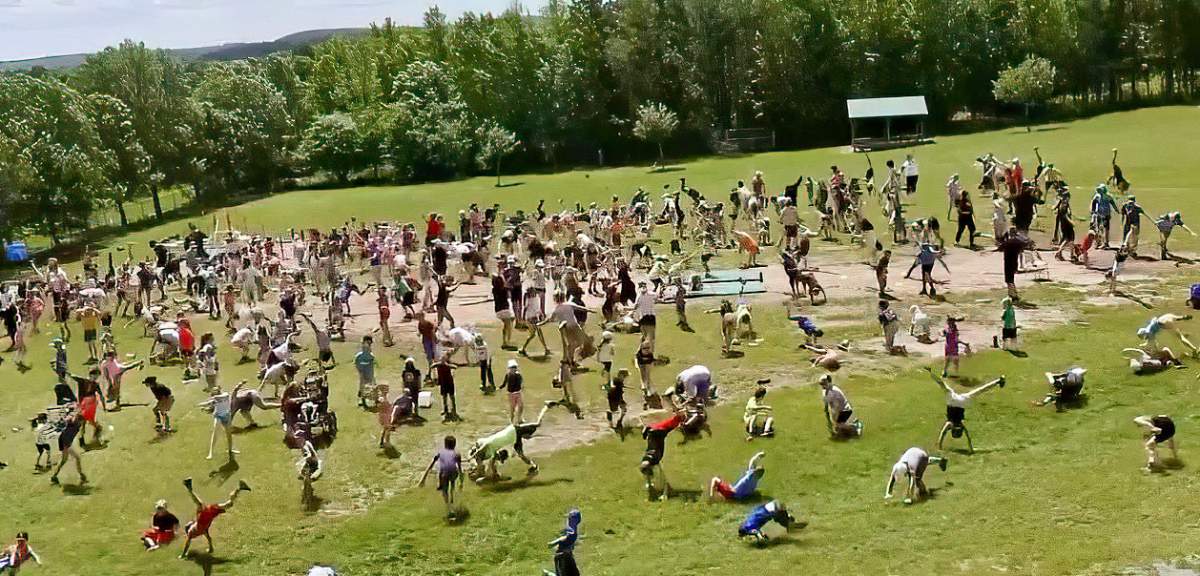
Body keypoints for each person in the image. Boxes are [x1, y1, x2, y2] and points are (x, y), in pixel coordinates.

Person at [467, 403, 557, 481]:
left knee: (537, 424)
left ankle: (546, 406)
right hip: (514, 435)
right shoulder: (492, 451)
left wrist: (475, 455)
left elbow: (486, 448)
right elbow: (492, 464)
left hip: (514, 431)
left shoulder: (490, 446)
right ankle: (533, 466)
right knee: (521, 453)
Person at [927, 369, 1004, 453]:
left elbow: (967, 437)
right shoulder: (950, 424)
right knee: (943, 385)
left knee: (979, 391)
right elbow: (942, 435)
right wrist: (940, 446)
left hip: (961, 402)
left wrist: (970, 448)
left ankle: (998, 381)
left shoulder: (959, 425)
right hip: (953, 401)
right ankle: (931, 372)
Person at [178, 477, 251, 559]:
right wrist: (183, 554)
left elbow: (207, 538)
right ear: (189, 528)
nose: (190, 522)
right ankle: (239, 488)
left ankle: (189, 487)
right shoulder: (191, 532)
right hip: (208, 514)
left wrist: (183, 555)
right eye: (189, 524)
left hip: (207, 515)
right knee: (228, 504)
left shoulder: (200, 531)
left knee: (203, 505)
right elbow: (205, 539)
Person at [638, 407, 685, 501]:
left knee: (650, 462)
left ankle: (660, 488)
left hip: (657, 435)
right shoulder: (653, 454)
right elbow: (678, 415)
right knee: (653, 463)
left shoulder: (652, 454)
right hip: (658, 435)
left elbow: (678, 415)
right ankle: (663, 489)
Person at [418, 435, 465, 518]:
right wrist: (461, 482)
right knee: (452, 478)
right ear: (454, 445)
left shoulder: (440, 453)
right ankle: (452, 496)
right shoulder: (457, 454)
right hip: (454, 474)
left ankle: (448, 506)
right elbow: (460, 470)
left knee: (441, 475)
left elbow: (430, 466)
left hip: (444, 475)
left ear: (445, 445)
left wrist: (423, 479)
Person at [197, 385, 238, 461]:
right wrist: (200, 405)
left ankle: (230, 449)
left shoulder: (225, 394)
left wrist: (213, 398)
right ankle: (210, 453)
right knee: (215, 433)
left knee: (229, 434)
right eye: (214, 392)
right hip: (218, 416)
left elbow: (221, 397)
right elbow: (208, 404)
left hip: (227, 416)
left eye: (216, 391)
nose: (215, 393)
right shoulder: (214, 399)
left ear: (219, 390)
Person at [737, 500, 803, 543]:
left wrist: (762, 541)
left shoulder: (749, 529)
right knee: (780, 520)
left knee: (784, 523)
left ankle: (790, 522)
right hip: (771, 505)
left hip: (772, 510)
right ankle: (790, 519)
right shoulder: (749, 520)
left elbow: (758, 536)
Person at [50, 409, 85, 486]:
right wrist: (66, 447)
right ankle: (81, 475)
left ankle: (54, 476)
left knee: (64, 460)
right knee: (75, 458)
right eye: (80, 421)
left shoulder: (77, 424)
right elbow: (65, 423)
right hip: (64, 442)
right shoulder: (71, 423)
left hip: (66, 442)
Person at [542, 509, 582, 576]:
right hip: (563, 557)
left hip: (564, 557)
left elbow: (564, 538)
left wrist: (553, 543)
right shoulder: (571, 531)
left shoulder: (572, 532)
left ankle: (547, 574)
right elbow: (565, 538)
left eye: (572, 518)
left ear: (576, 521)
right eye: (569, 517)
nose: (569, 519)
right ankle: (547, 574)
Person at [432, 353, 458, 421]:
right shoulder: (438, 365)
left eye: (444, 358)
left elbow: (455, 367)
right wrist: (439, 363)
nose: (442, 360)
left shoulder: (448, 364)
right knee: (444, 397)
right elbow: (432, 366)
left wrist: (447, 365)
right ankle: (445, 409)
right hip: (443, 383)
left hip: (449, 382)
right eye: (442, 359)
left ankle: (454, 409)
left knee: (452, 396)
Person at [354, 336, 377, 408]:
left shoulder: (371, 355)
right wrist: (360, 370)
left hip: (370, 372)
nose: (369, 346)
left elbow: (372, 362)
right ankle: (363, 402)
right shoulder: (360, 355)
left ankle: (374, 399)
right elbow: (357, 363)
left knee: (372, 385)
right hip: (363, 373)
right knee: (363, 387)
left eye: (370, 344)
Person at [503, 359, 525, 424]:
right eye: (512, 367)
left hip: (518, 392)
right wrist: (499, 388)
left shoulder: (518, 375)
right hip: (511, 394)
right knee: (512, 408)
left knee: (521, 406)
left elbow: (521, 383)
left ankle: (519, 419)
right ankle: (511, 421)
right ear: (509, 368)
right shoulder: (507, 375)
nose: (514, 369)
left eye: (515, 367)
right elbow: (504, 383)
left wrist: (522, 387)